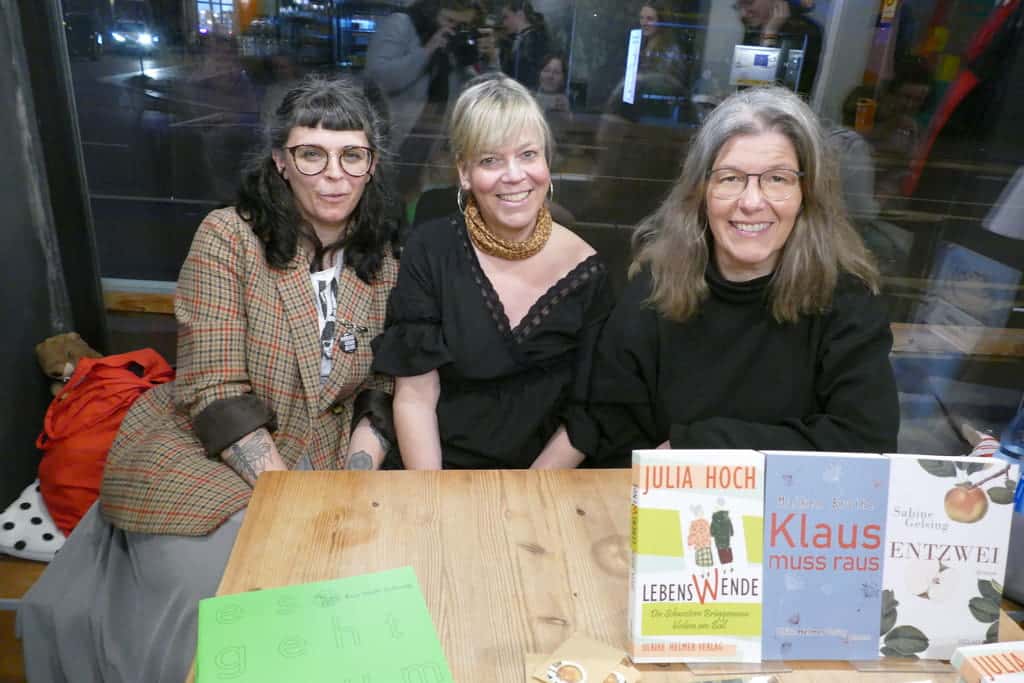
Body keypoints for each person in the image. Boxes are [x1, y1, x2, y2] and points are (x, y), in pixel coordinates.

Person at [18, 76, 402, 682]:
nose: (334, 175)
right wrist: (286, 502)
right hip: (213, 449)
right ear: (281, 162)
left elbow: (382, 382)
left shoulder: (385, 259)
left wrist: (353, 479)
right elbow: (215, 389)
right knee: (220, 586)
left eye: (352, 156)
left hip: (327, 453)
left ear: (371, 165)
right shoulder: (228, 237)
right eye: (312, 154)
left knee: (350, 583)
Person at [589, 86, 899, 465]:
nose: (751, 202)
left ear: (807, 193)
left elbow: (868, 445)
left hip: (794, 505)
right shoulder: (653, 290)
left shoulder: (847, 300)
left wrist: (698, 448)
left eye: (778, 179)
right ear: (701, 191)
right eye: (730, 178)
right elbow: (613, 441)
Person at [372, 75, 613, 469]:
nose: (514, 175)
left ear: (546, 162)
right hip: (433, 472)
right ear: (464, 173)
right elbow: (415, 398)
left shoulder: (589, 273)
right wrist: (434, 497)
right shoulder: (430, 249)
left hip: (541, 480)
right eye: (490, 160)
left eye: (528, 155)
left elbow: (586, 416)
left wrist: (527, 496)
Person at [365, 0, 476, 199]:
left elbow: (467, 90)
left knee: (417, 198)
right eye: (449, 20)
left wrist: (481, 58)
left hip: (433, 134)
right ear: (432, 12)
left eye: (461, 25)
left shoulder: (450, 39)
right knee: (387, 197)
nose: (453, 28)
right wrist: (428, 49)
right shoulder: (401, 24)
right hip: (398, 133)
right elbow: (380, 79)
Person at [736, 0, 822, 98]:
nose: (743, 14)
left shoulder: (803, 31)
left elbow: (787, 91)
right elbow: (744, 89)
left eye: (749, 3)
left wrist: (769, 35)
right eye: (738, 7)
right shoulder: (754, 31)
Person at [500, 0, 550, 90]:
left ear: (520, 15)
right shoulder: (520, 39)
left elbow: (526, 72)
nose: (504, 23)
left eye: (506, 17)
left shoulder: (535, 40)